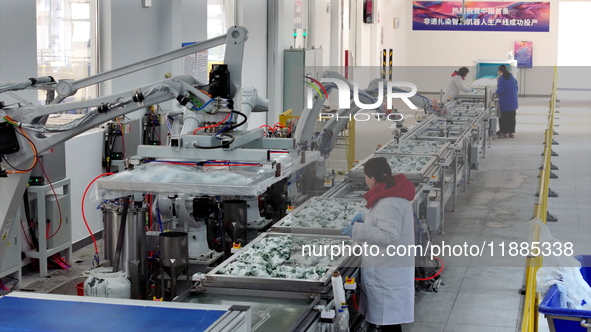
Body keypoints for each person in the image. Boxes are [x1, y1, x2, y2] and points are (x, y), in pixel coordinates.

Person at [341, 157, 415, 332]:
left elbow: (389, 236)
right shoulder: (391, 194)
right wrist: (365, 217)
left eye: (366, 178)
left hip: (388, 272)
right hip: (391, 267)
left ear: (373, 179)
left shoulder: (388, 202)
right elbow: (384, 220)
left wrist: (356, 231)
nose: (365, 181)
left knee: (389, 323)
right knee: (388, 321)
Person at [496, 65, 519, 138]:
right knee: (512, 117)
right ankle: (511, 133)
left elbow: (500, 91)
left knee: (504, 118)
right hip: (513, 101)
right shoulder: (513, 78)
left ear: (499, 71)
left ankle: (504, 132)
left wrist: (495, 91)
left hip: (505, 102)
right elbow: (516, 89)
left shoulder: (501, 79)